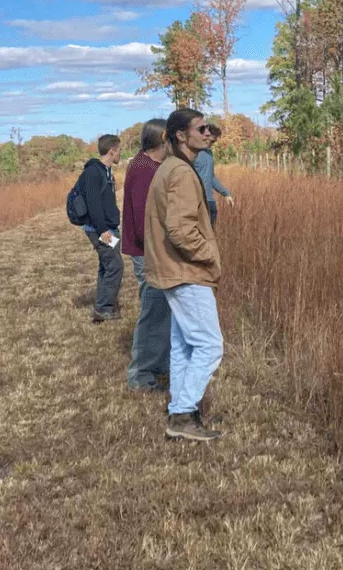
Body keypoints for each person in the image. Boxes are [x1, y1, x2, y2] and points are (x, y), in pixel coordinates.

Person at [145, 108, 224, 442]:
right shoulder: (179, 172)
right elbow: (179, 229)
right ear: (180, 135)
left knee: (183, 346)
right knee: (210, 345)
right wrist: (209, 254)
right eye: (202, 128)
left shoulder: (171, 168)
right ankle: (181, 414)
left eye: (210, 129)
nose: (209, 133)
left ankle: (181, 408)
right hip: (185, 270)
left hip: (173, 268)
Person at [121, 118, 171, 393]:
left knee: (161, 308)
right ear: (162, 140)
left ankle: (158, 363)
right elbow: (143, 218)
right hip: (146, 251)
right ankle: (141, 375)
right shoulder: (143, 169)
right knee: (153, 310)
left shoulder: (147, 164)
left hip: (151, 249)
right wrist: (156, 248)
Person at [80, 134, 124, 323]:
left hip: (109, 227)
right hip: (100, 230)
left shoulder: (107, 172)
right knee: (116, 266)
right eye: (119, 150)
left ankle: (105, 305)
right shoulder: (93, 172)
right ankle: (103, 309)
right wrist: (103, 230)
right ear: (112, 150)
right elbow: (93, 204)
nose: (120, 154)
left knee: (106, 266)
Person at [193, 123, 234, 226]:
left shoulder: (209, 152)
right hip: (195, 203)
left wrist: (226, 193)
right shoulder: (192, 153)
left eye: (214, 141)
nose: (212, 143)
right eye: (211, 141)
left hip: (209, 201)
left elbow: (210, 176)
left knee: (210, 237)